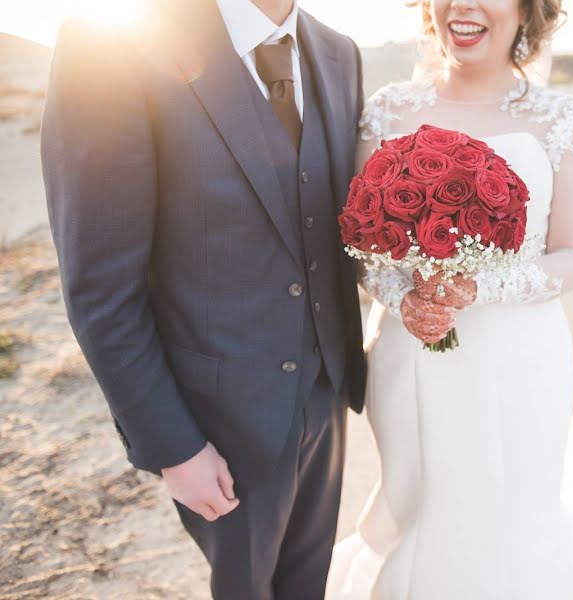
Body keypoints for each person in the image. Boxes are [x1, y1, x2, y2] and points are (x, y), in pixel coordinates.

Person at [324, 0, 573, 598]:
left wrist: (477, 287)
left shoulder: (563, 119)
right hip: (410, 351)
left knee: (510, 511)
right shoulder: (387, 110)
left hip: (520, 357)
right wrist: (406, 296)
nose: (464, 4)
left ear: (530, 10)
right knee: (417, 500)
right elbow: (362, 242)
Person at [40, 0, 365, 597]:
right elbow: (101, 288)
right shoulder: (112, 43)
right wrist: (174, 447)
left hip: (327, 401)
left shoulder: (338, 52)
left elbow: (334, 223)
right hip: (215, 425)